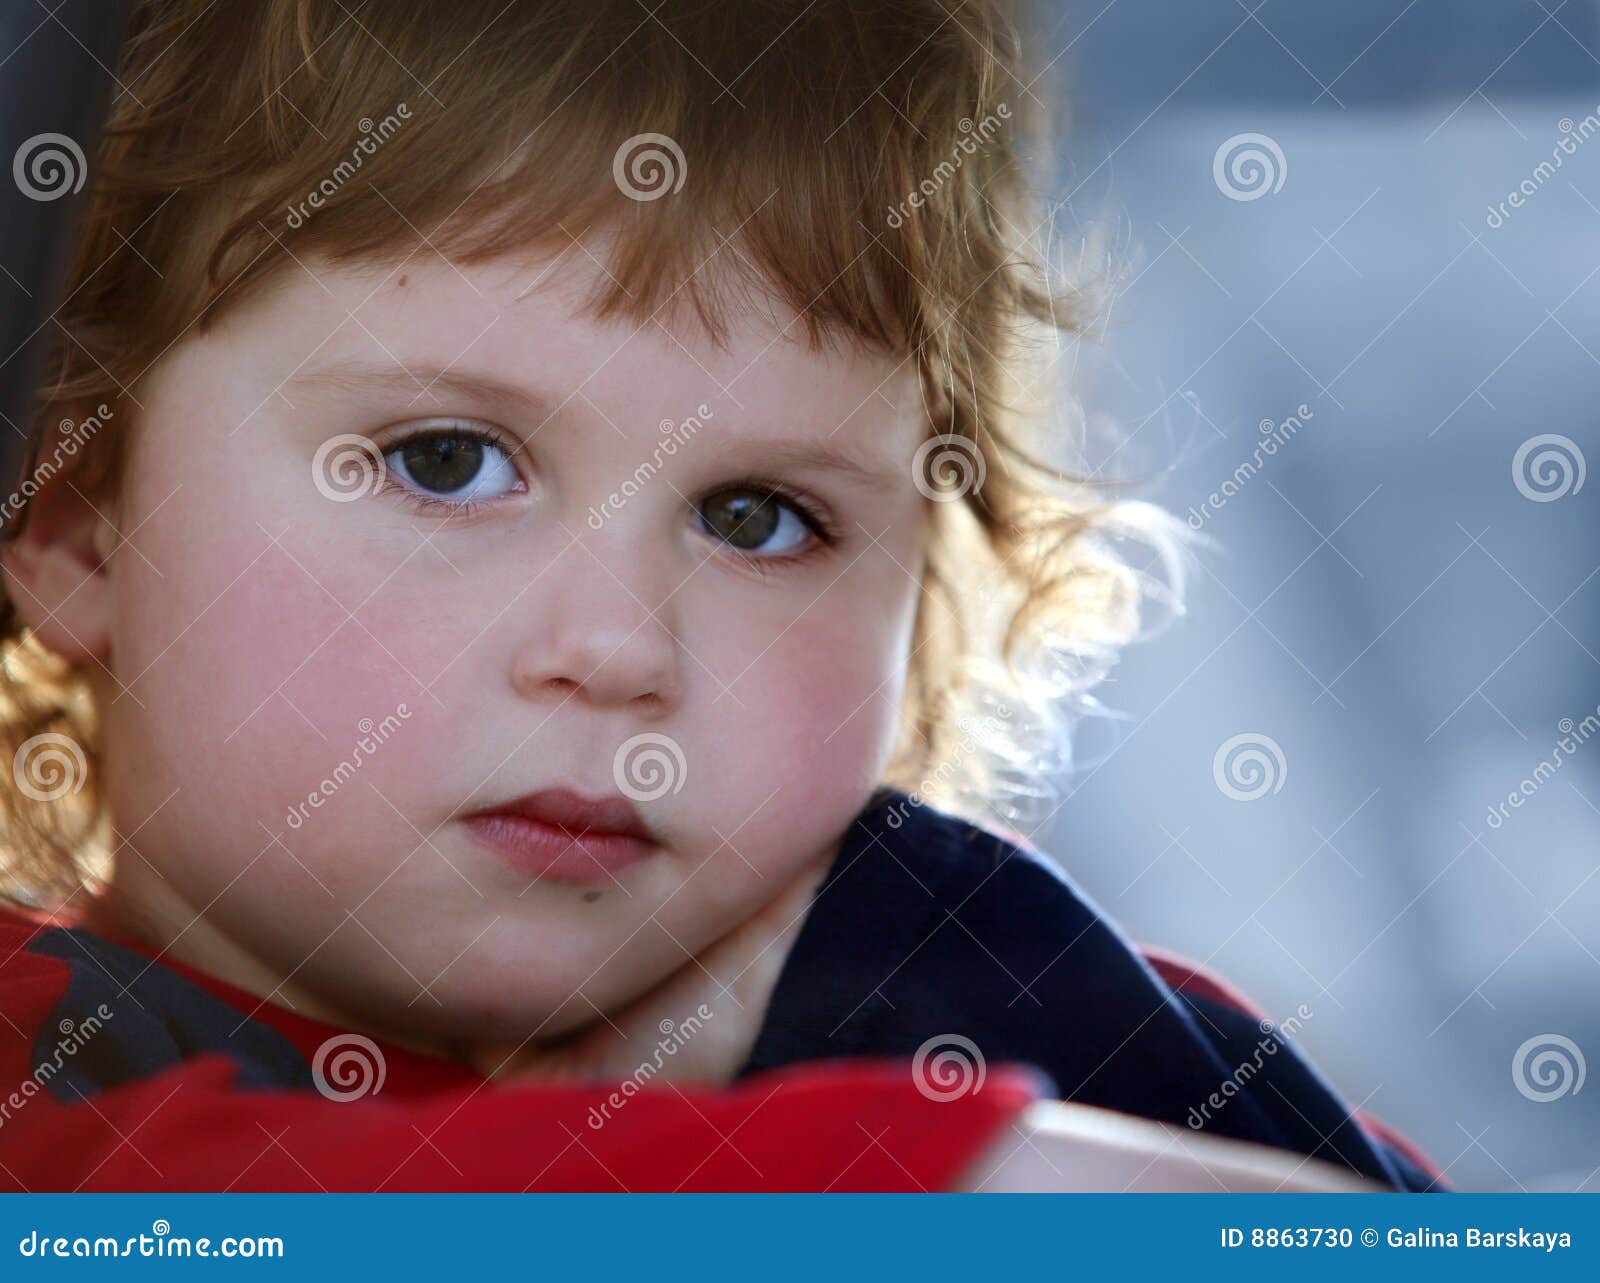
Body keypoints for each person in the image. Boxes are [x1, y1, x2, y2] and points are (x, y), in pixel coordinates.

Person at [0, 0, 1438, 1191]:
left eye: (759, 519)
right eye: (445, 462)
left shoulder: (1052, 1015)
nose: (618, 649)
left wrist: (924, 968)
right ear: (74, 526)